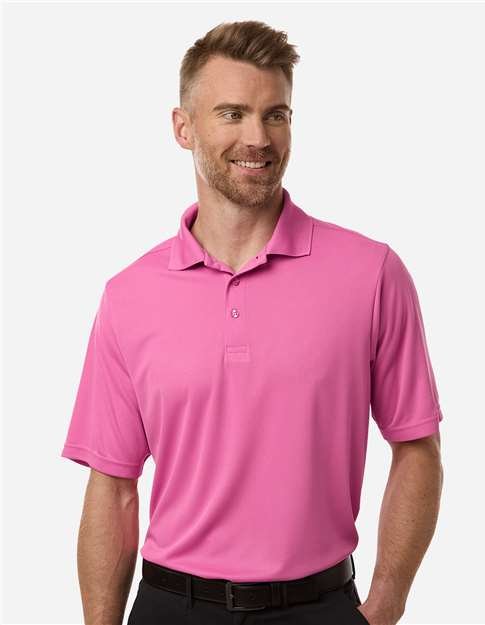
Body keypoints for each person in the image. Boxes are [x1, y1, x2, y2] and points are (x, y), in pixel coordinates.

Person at [61, 20, 444, 625]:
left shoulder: (371, 273)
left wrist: (385, 603)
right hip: (172, 608)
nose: (258, 138)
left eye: (276, 115)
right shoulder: (128, 295)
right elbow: (113, 489)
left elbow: (417, 445)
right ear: (183, 128)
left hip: (320, 606)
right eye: (232, 114)